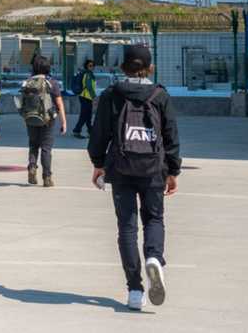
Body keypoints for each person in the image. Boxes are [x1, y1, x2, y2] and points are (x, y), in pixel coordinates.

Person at [89, 44, 180, 312]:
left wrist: (98, 164)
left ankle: (134, 290)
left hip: (120, 167)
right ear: (150, 67)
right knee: (154, 218)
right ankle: (154, 257)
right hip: (153, 168)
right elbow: (171, 135)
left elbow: (99, 133)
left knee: (127, 228)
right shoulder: (160, 95)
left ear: (122, 68)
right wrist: (172, 170)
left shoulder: (111, 94)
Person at [18, 55, 67, 187]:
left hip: (30, 118)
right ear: (47, 67)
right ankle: (47, 177)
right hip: (48, 120)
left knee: (33, 145)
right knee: (46, 148)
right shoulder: (52, 82)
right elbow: (59, 104)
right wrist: (63, 122)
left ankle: (32, 167)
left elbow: (21, 101)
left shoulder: (28, 81)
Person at [72, 59, 97, 138]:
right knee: (84, 115)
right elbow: (89, 87)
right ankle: (77, 131)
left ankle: (90, 131)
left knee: (88, 115)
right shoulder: (87, 74)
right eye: (90, 66)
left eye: (93, 66)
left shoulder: (89, 74)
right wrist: (95, 97)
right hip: (85, 97)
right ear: (86, 66)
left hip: (87, 97)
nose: (92, 67)